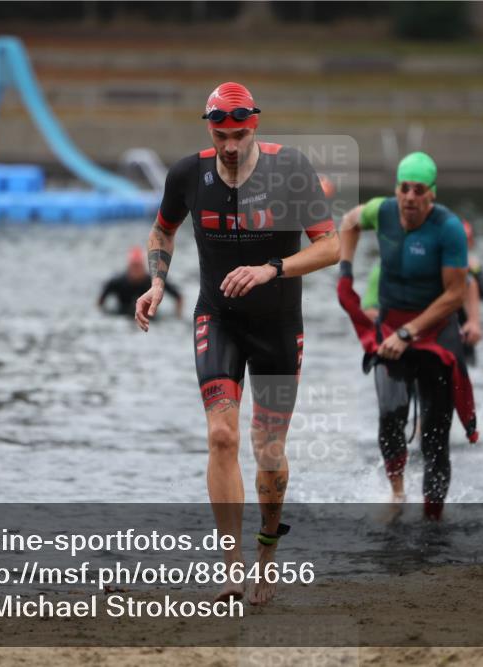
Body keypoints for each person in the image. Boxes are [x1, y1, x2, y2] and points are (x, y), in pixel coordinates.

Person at [134, 82, 339, 605]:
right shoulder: (188, 173)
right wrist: (157, 282)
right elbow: (162, 232)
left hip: (277, 327)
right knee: (221, 437)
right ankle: (231, 567)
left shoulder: (289, 169)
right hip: (217, 319)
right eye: (221, 133)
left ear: (256, 127)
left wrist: (273, 269)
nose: (230, 145)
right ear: (209, 126)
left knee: (268, 451)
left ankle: (267, 558)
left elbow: (331, 247)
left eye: (240, 134)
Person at [338, 152, 477, 522]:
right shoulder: (381, 211)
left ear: (431, 194)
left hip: (434, 332)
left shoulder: (447, 228)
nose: (410, 197)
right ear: (396, 189)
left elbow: (455, 294)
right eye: (404, 188)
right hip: (392, 326)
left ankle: (433, 518)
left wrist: (409, 332)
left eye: (419, 190)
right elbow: (348, 222)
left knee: (434, 436)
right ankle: (397, 492)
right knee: (390, 414)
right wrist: (345, 273)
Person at [361, 219, 483, 365]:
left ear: (471, 244)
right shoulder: (420, 265)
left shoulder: (473, 271)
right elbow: (368, 312)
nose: (459, 248)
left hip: (458, 343)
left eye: (464, 243)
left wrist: (474, 321)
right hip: (413, 341)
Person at [97, 246, 183, 317]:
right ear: (128, 267)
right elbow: (100, 302)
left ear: (144, 267)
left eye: (138, 266)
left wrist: (178, 316)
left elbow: (178, 297)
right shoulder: (117, 282)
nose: (136, 270)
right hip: (124, 316)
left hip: (150, 318)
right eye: (133, 266)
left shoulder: (154, 282)